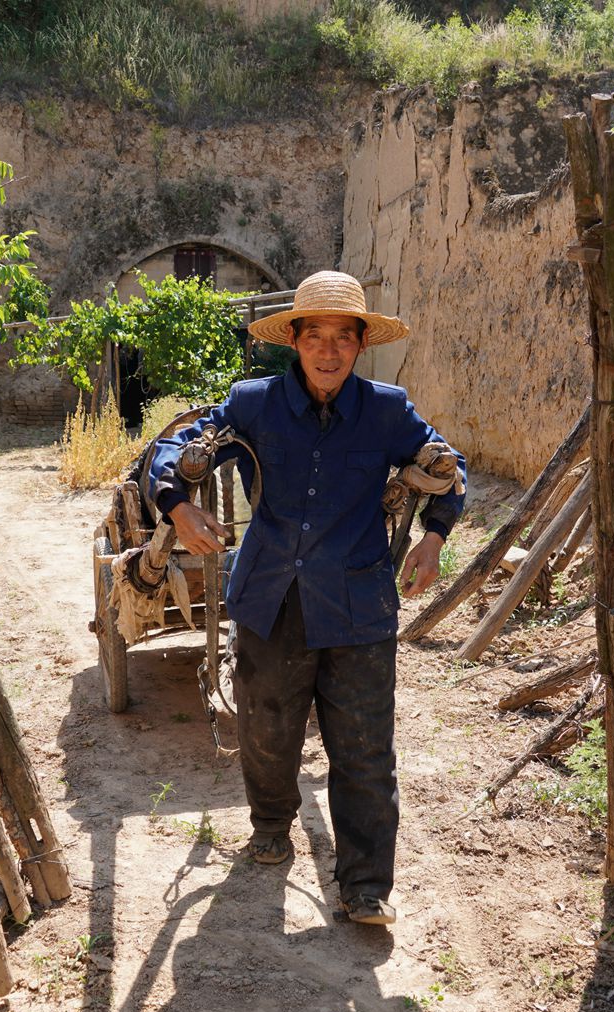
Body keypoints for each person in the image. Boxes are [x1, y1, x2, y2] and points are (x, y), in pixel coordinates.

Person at [146, 270, 466, 926]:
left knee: (364, 745)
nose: (328, 351)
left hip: (358, 602)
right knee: (267, 726)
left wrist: (433, 539)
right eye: (314, 336)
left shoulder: (386, 409)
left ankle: (366, 883)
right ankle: (270, 825)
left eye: (342, 338)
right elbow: (175, 447)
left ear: (359, 345)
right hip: (270, 595)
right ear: (292, 340)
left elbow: (447, 469)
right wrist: (177, 506)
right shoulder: (253, 402)